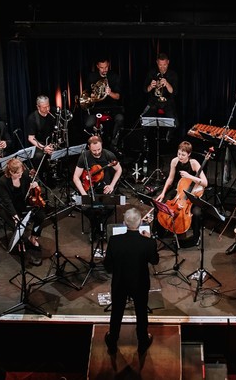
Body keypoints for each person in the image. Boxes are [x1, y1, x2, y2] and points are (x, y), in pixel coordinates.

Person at [103, 207, 160, 355]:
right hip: (140, 283)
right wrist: (150, 240)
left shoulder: (114, 241)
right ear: (140, 223)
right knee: (141, 313)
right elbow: (154, 260)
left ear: (124, 223)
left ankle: (112, 342)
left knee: (116, 312)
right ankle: (142, 342)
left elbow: (108, 266)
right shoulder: (148, 242)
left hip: (120, 282)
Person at [72, 135, 123, 255]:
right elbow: (76, 177)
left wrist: (111, 185)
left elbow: (119, 170)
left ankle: (101, 226)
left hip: (105, 188)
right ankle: (95, 227)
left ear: (101, 146)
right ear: (89, 147)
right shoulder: (84, 156)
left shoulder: (109, 155)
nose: (97, 152)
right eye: (94, 150)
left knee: (109, 207)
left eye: (99, 149)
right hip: (90, 188)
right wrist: (84, 194)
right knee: (86, 208)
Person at [154, 141, 208, 247]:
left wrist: (189, 176)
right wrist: (163, 193)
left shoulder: (194, 163)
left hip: (192, 192)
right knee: (161, 204)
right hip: (178, 190)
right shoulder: (175, 161)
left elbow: (205, 183)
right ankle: (160, 232)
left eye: (183, 155)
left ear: (189, 154)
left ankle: (196, 238)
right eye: (179, 153)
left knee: (196, 213)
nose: (180, 156)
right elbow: (170, 179)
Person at [0, 157, 47, 266]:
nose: (20, 174)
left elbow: (34, 182)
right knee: (19, 226)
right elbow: (7, 201)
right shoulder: (2, 181)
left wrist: (35, 184)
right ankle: (22, 246)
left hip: (23, 203)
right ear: (11, 172)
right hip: (8, 208)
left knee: (41, 215)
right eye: (17, 173)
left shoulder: (25, 174)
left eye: (21, 172)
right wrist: (15, 216)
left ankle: (33, 237)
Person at [82, 56, 125, 147]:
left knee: (120, 119)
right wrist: (92, 95)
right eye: (101, 67)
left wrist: (110, 93)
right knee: (88, 123)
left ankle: (114, 144)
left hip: (112, 107)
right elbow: (86, 93)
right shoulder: (92, 76)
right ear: (97, 66)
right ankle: (94, 145)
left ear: (108, 65)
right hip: (96, 107)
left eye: (106, 67)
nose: (104, 70)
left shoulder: (114, 76)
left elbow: (118, 97)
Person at [26, 95, 61, 180]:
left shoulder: (53, 112)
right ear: (38, 107)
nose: (47, 109)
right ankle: (42, 177)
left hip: (51, 141)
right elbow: (31, 138)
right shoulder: (32, 118)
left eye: (48, 106)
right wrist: (43, 147)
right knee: (39, 156)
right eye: (44, 107)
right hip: (39, 144)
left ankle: (58, 175)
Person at [142, 52, 178, 127]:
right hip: (153, 102)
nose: (162, 67)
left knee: (175, 124)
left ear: (168, 62)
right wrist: (150, 86)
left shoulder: (173, 74)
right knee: (144, 121)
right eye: (160, 65)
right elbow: (145, 90)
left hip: (168, 103)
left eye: (165, 65)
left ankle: (168, 134)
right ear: (157, 63)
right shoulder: (152, 73)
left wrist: (167, 84)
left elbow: (174, 92)